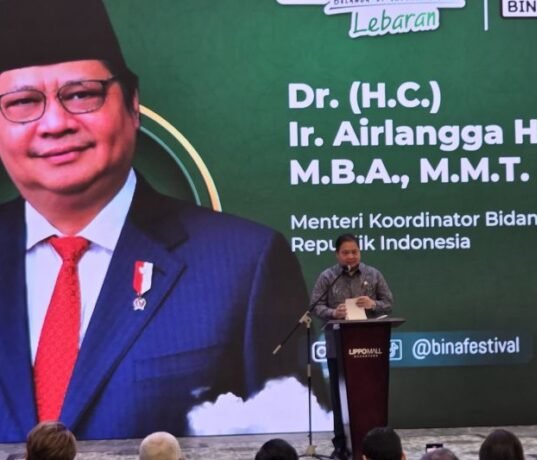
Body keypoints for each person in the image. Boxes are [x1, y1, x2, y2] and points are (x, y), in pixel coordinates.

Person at [0, 0, 313, 442]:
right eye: (22, 102)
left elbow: (291, 444)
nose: (55, 123)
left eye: (81, 94)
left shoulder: (246, 266)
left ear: (133, 104)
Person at [310, 233, 394, 459]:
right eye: (345, 252)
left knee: (370, 393)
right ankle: (341, 445)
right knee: (340, 395)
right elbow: (315, 306)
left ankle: (376, 443)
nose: (350, 256)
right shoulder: (328, 277)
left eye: (354, 252)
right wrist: (333, 313)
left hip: (370, 347)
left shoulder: (373, 274)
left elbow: (388, 303)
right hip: (338, 345)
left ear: (360, 252)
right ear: (337, 254)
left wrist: (373, 304)